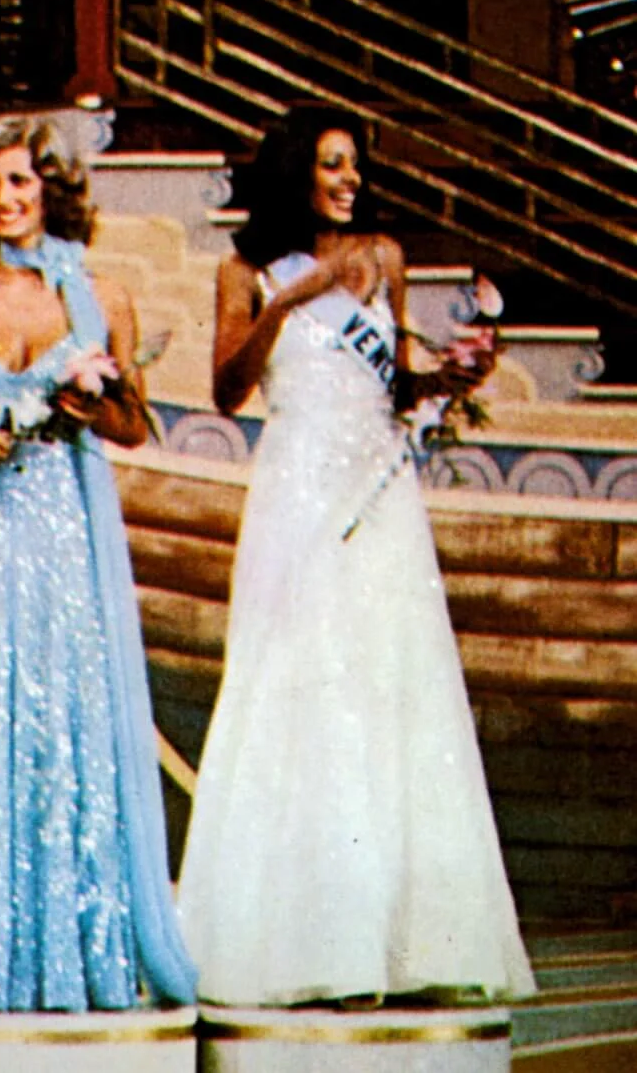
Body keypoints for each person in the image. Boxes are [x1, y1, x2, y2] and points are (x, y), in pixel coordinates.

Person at [175, 106, 535, 1006]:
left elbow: (396, 383)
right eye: (332, 164)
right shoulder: (247, 271)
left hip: (377, 496)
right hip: (297, 491)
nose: (349, 180)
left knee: (388, 686)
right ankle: (305, 946)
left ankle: (400, 946)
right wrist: (292, 299)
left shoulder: (385, 256)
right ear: (295, 169)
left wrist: (449, 378)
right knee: (302, 686)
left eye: (354, 165)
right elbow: (226, 389)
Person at [0, 117, 196, 1013]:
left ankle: (69, 957)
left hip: (64, 536)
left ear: (52, 190)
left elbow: (132, 427)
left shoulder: (102, 298)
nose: (5, 199)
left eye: (20, 181)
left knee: (62, 725)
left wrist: (87, 406)